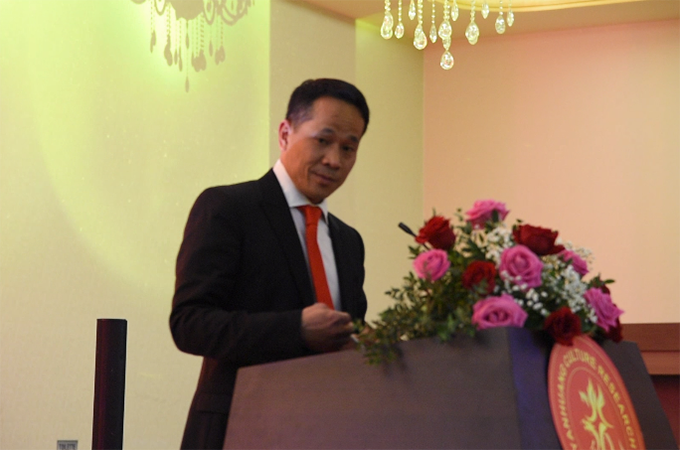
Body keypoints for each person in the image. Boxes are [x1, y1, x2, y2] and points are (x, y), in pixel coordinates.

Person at [170, 78, 370, 450]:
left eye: (348, 148)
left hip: (330, 430)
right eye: (323, 140)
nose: (334, 160)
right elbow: (189, 323)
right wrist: (296, 328)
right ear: (285, 134)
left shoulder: (348, 241)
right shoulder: (229, 209)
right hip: (241, 428)